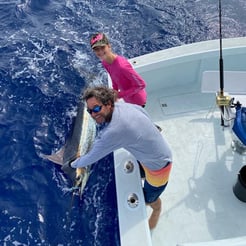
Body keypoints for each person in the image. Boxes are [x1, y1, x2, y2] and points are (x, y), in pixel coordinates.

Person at [65, 86, 172, 230]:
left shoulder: (113, 131)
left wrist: (70, 164)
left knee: (148, 199)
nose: (93, 114)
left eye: (96, 109)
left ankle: (157, 210)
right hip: (149, 155)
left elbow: (90, 158)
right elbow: (144, 113)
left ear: (108, 104)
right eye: (90, 111)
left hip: (159, 168)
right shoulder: (124, 106)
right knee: (141, 172)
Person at [90, 32, 147, 107]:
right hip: (127, 99)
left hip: (138, 101)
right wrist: (115, 91)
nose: (100, 51)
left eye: (103, 47)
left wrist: (119, 95)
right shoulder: (105, 62)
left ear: (109, 46)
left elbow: (141, 85)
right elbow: (114, 78)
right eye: (97, 49)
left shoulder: (122, 66)